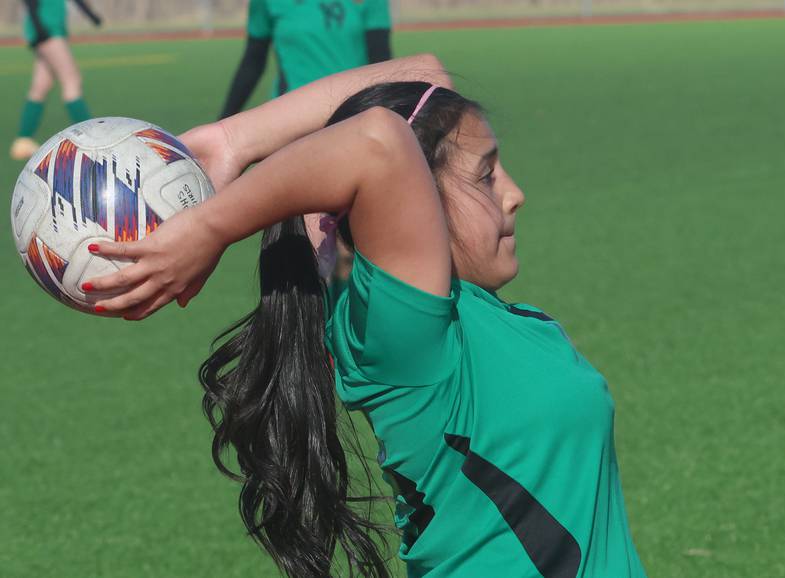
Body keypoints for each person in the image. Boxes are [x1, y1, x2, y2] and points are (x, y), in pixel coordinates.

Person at [82, 55, 648, 578]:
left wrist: (233, 141)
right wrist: (209, 228)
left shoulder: (465, 318)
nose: (515, 193)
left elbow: (427, 78)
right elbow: (379, 139)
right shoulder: (407, 338)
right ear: (417, 196)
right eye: (486, 175)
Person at [218, 0, 392, 120]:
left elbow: (381, 62)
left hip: (352, 112)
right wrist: (223, 122)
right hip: (290, 115)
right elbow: (253, 62)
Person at [10, 0, 101, 161]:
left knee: (41, 86)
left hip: (48, 30)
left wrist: (91, 15)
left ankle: (23, 142)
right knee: (72, 81)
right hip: (47, 31)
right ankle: (92, 138)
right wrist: (39, 27)